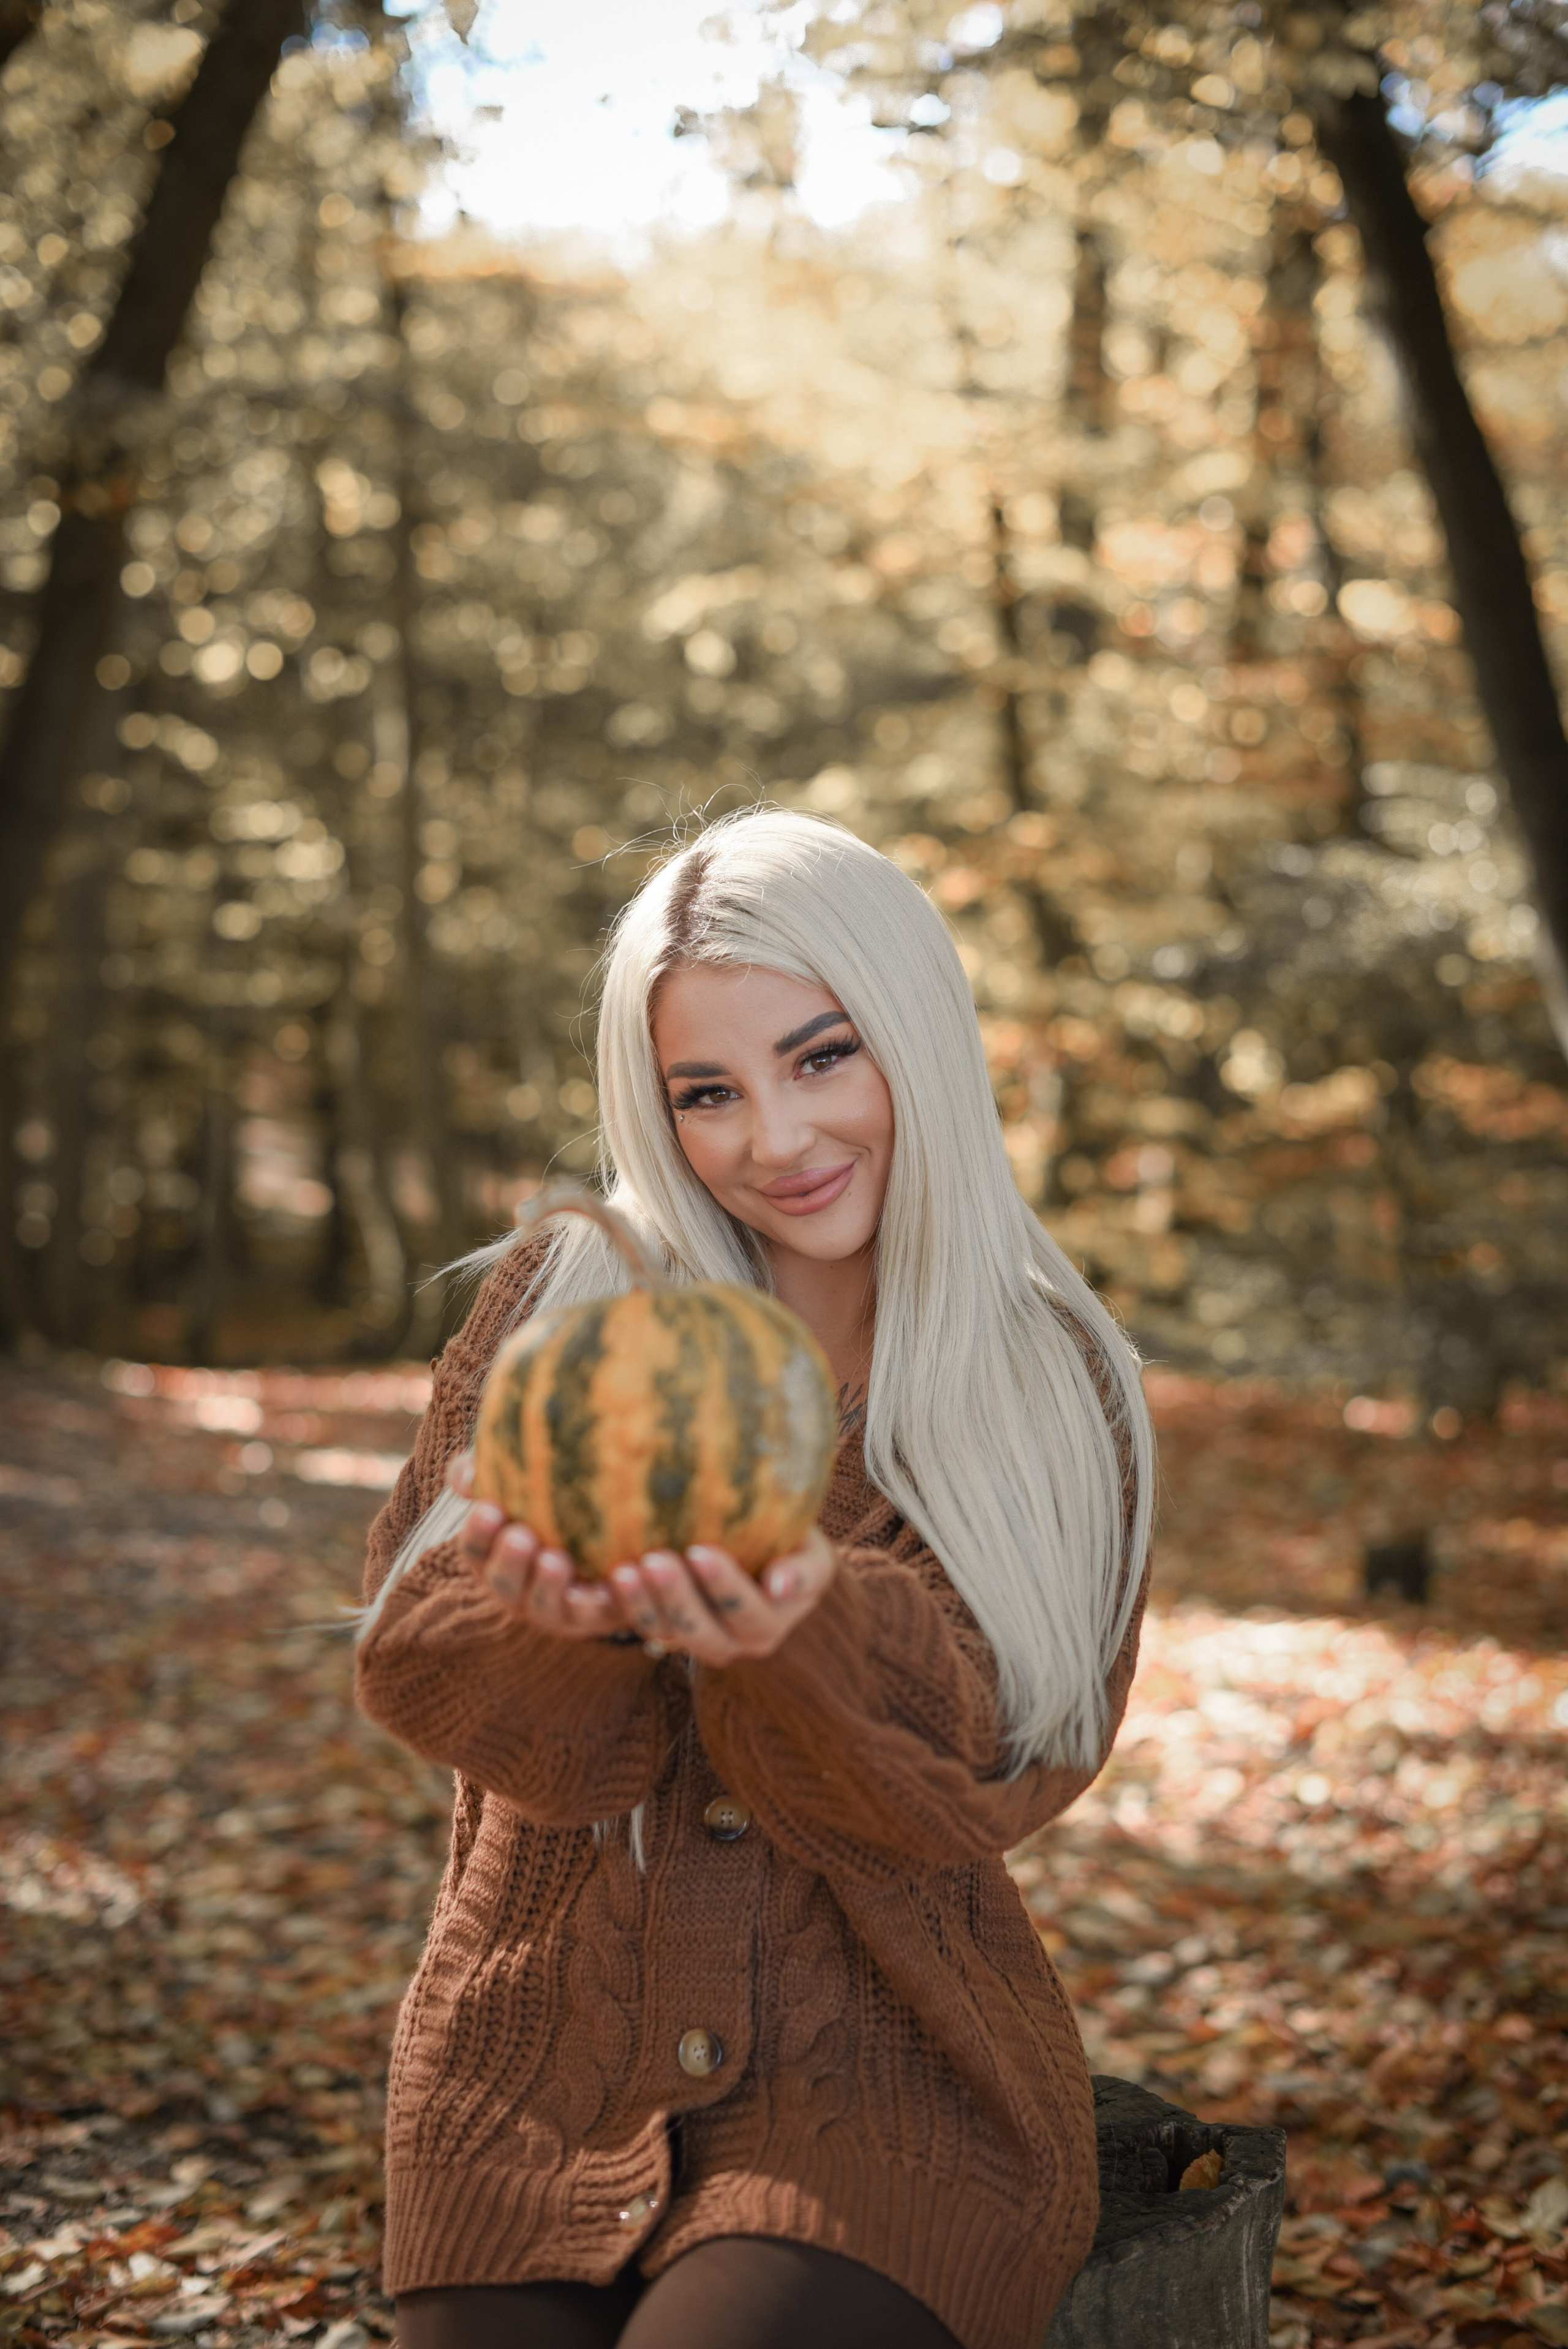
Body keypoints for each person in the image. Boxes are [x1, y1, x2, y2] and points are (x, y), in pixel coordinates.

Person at [355, 809, 1154, 2349]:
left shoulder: (1052, 1384)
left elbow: (988, 1772)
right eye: (705, 1093)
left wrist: (810, 1630)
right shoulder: (566, 1299)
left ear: (912, 1038)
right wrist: (557, 1614)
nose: (771, 1140)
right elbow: (421, 1664)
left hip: (890, 2091)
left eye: (821, 1057)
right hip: (526, 2071)